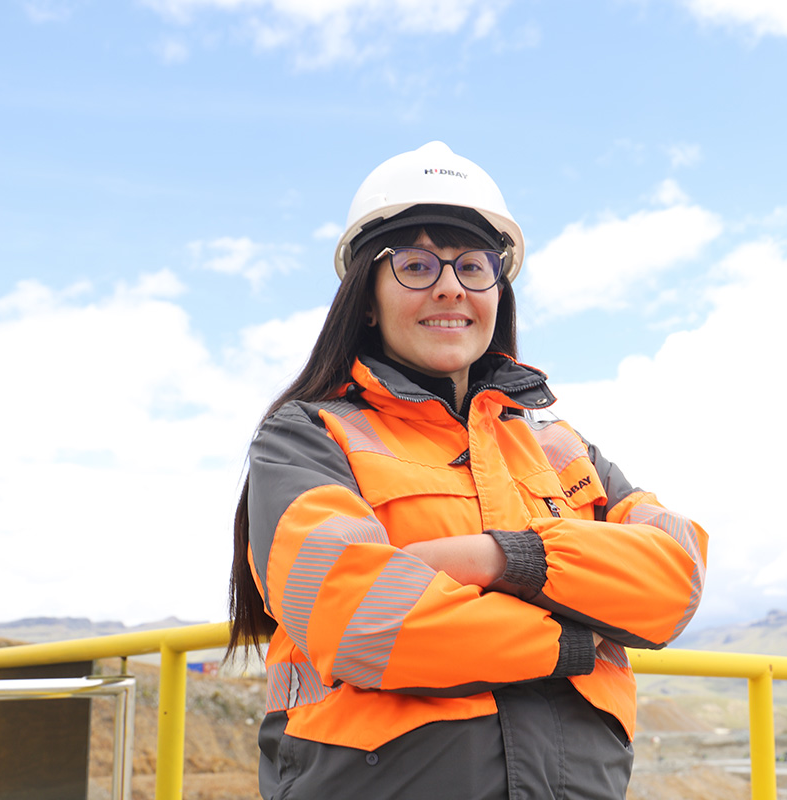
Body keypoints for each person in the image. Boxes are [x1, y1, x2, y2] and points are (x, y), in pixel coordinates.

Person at [227, 141, 708, 799]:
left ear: (497, 292)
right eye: (417, 265)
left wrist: (503, 559)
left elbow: (675, 577)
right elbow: (360, 617)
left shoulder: (562, 451)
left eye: (473, 266)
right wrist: (574, 642)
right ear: (366, 296)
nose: (450, 285)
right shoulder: (309, 439)